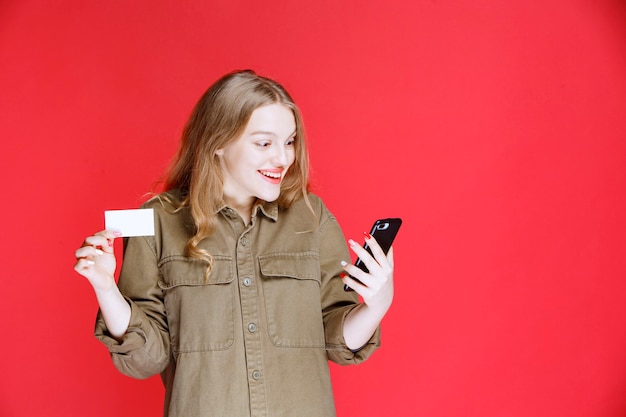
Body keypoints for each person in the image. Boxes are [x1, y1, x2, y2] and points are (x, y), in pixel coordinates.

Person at [74, 70, 395, 417]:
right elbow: (145, 359)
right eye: (264, 143)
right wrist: (106, 289)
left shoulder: (311, 217)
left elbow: (337, 341)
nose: (283, 158)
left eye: (289, 141)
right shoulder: (157, 221)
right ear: (218, 142)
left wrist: (377, 304)